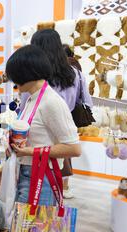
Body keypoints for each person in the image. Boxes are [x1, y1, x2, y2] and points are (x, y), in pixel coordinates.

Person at [0, 44, 81, 208]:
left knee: (33, 231)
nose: (14, 82)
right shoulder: (31, 98)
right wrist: (6, 170)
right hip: (26, 174)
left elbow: (74, 148)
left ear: (28, 73)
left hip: (42, 179)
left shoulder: (51, 102)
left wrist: (30, 152)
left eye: (16, 76)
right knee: (23, 231)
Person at [31, 29, 93, 199]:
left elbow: (25, 108)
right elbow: (88, 102)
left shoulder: (34, 77)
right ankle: (60, 196)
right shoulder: (76, 74)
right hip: (65, 133)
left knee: (37, 185)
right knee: (55, 177)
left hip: (39, 136)